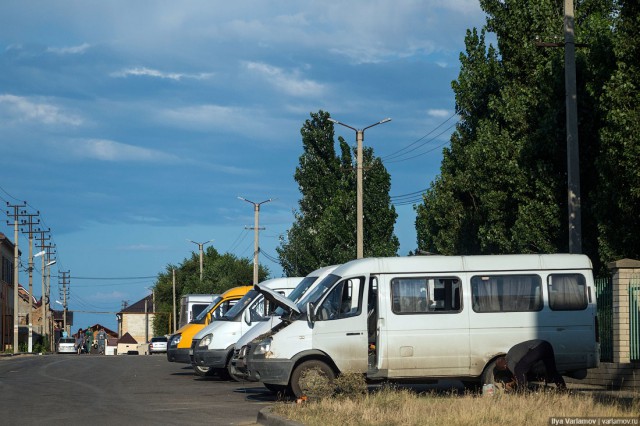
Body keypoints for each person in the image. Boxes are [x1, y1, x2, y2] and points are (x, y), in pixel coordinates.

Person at [495, 339, 567, 392]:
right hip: (546, 345)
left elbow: (517, 375)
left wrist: (511, 384)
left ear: (504, 367)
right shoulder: (510, 353)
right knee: (551, 370)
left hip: (537, 348)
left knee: (519, 369)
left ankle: (522, 392)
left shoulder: (509, 362)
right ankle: (563, 389)